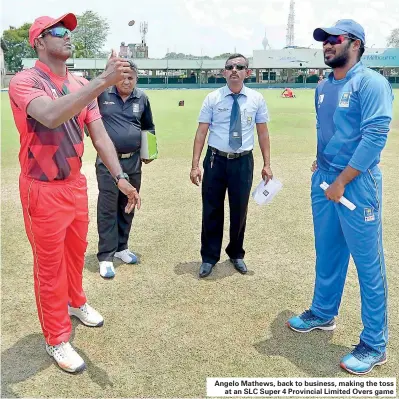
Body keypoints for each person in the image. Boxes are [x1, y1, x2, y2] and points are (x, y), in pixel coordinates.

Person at [8, 13, 141, 373]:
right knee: (49, 268)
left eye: (69, 32)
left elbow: (98, 135)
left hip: (74, 185)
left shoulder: (81, 82)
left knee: (74, 252)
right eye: (59, 32)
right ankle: (56, 338)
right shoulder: (25, 81)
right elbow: (50, 115)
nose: (68, 37)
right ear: (38, 40)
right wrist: (101, 81)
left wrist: (120, 177)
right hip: (42, 188)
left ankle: (76, 302)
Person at [286, 20, 394, 375]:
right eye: (324, 41)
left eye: (335, 40)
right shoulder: (322, 85)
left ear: (356, 44)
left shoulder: (371, 82)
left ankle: (374, 344)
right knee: (328, 252)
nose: (327, 45)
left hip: (356, 183)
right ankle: (323, 312)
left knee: (368, 264)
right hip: (326, 180)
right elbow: (328, 127)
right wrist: (322, 165)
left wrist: (343, 179)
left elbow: (375, 135)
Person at [190, 53, 273, 278]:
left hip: (243, 161)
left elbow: (263, 133)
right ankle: (209, 257)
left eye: (239, 66)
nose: (234, 70)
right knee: (211, 209)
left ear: (248, 72)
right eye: (230, 67)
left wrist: (267, 164)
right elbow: (201, 132)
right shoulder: (212, 98)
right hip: (216, 160)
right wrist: (195, 165)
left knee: (239, 210)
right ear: (224, 72)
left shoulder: (256, 99)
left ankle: (236, 253)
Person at [96, 60, 156, 278]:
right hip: (107, 163)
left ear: (136, 79)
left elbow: (148, 126)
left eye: (131, 77)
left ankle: (122, 248)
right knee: (108, 207)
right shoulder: (102, 95)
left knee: (127, 204)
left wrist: (149, 152)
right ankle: (105, 256)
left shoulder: (142, 98)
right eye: (122, 76)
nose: (127, 81)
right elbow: (89, 123)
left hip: (133, 162)